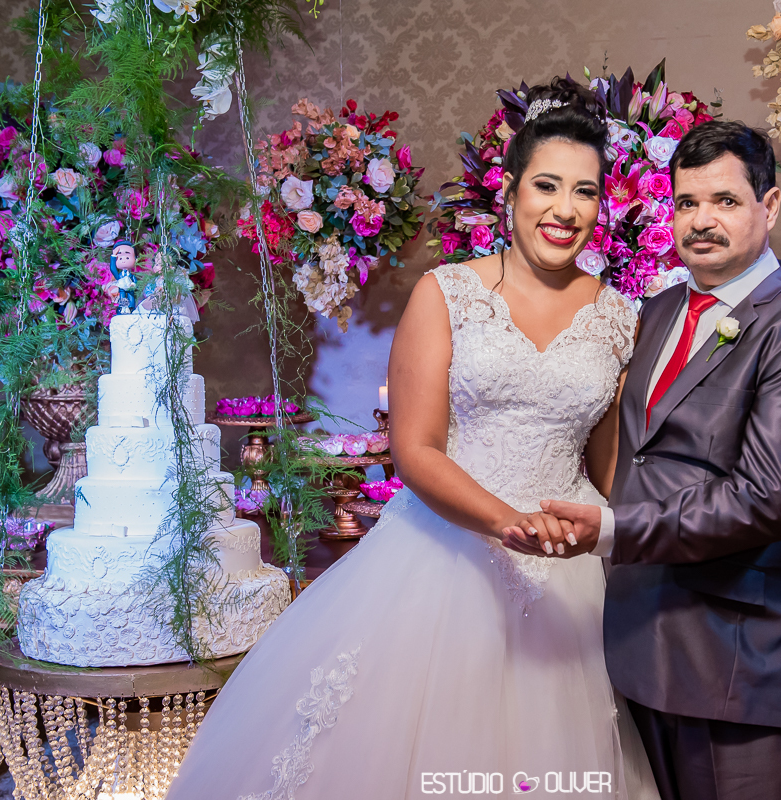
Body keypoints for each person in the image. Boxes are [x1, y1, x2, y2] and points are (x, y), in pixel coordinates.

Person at [166, 79, 659, 800]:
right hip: (447, 553)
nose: (565, 209)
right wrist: (507, 521)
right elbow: (416, 448)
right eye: (547, 185)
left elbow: (607, 461)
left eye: (585, 192)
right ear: (510, 192)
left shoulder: (620, 315)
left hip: (569, 567)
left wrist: (637, 531)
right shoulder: (446, 293)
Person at [504, 121, 781, 800]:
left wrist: (611, 530)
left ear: (770, 206)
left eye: (725, 201)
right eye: (687, 202)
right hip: (634, 642)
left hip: (735, 658)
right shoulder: (659, 311)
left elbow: (767, 499)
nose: (701, 220)